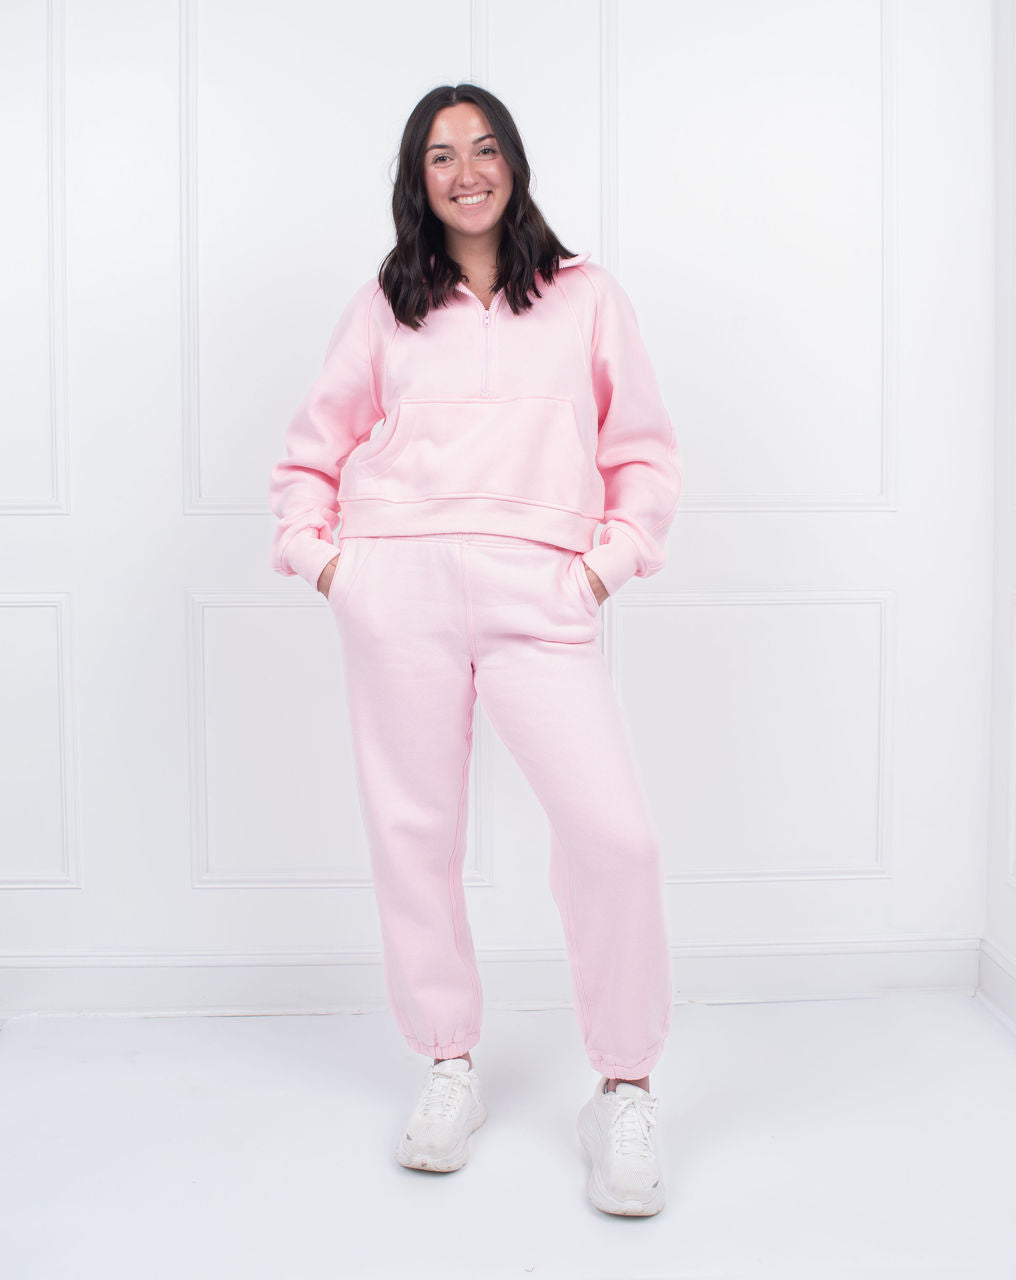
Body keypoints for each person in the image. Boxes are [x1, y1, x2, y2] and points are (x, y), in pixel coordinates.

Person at [268, 82, 682, 1217]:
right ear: (419, 178)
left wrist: (604, 564)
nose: (467, 171)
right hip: (396, 584)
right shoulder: (384, 306)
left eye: (485, 147)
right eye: (442, 155)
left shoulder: (585, 296)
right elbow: (309, 454)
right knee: (415, 834)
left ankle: (625, 1086)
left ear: (514, 163)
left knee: (615, 836)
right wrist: (328, 564)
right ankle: (447, 1063)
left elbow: (644, 453)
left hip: (541, 589)